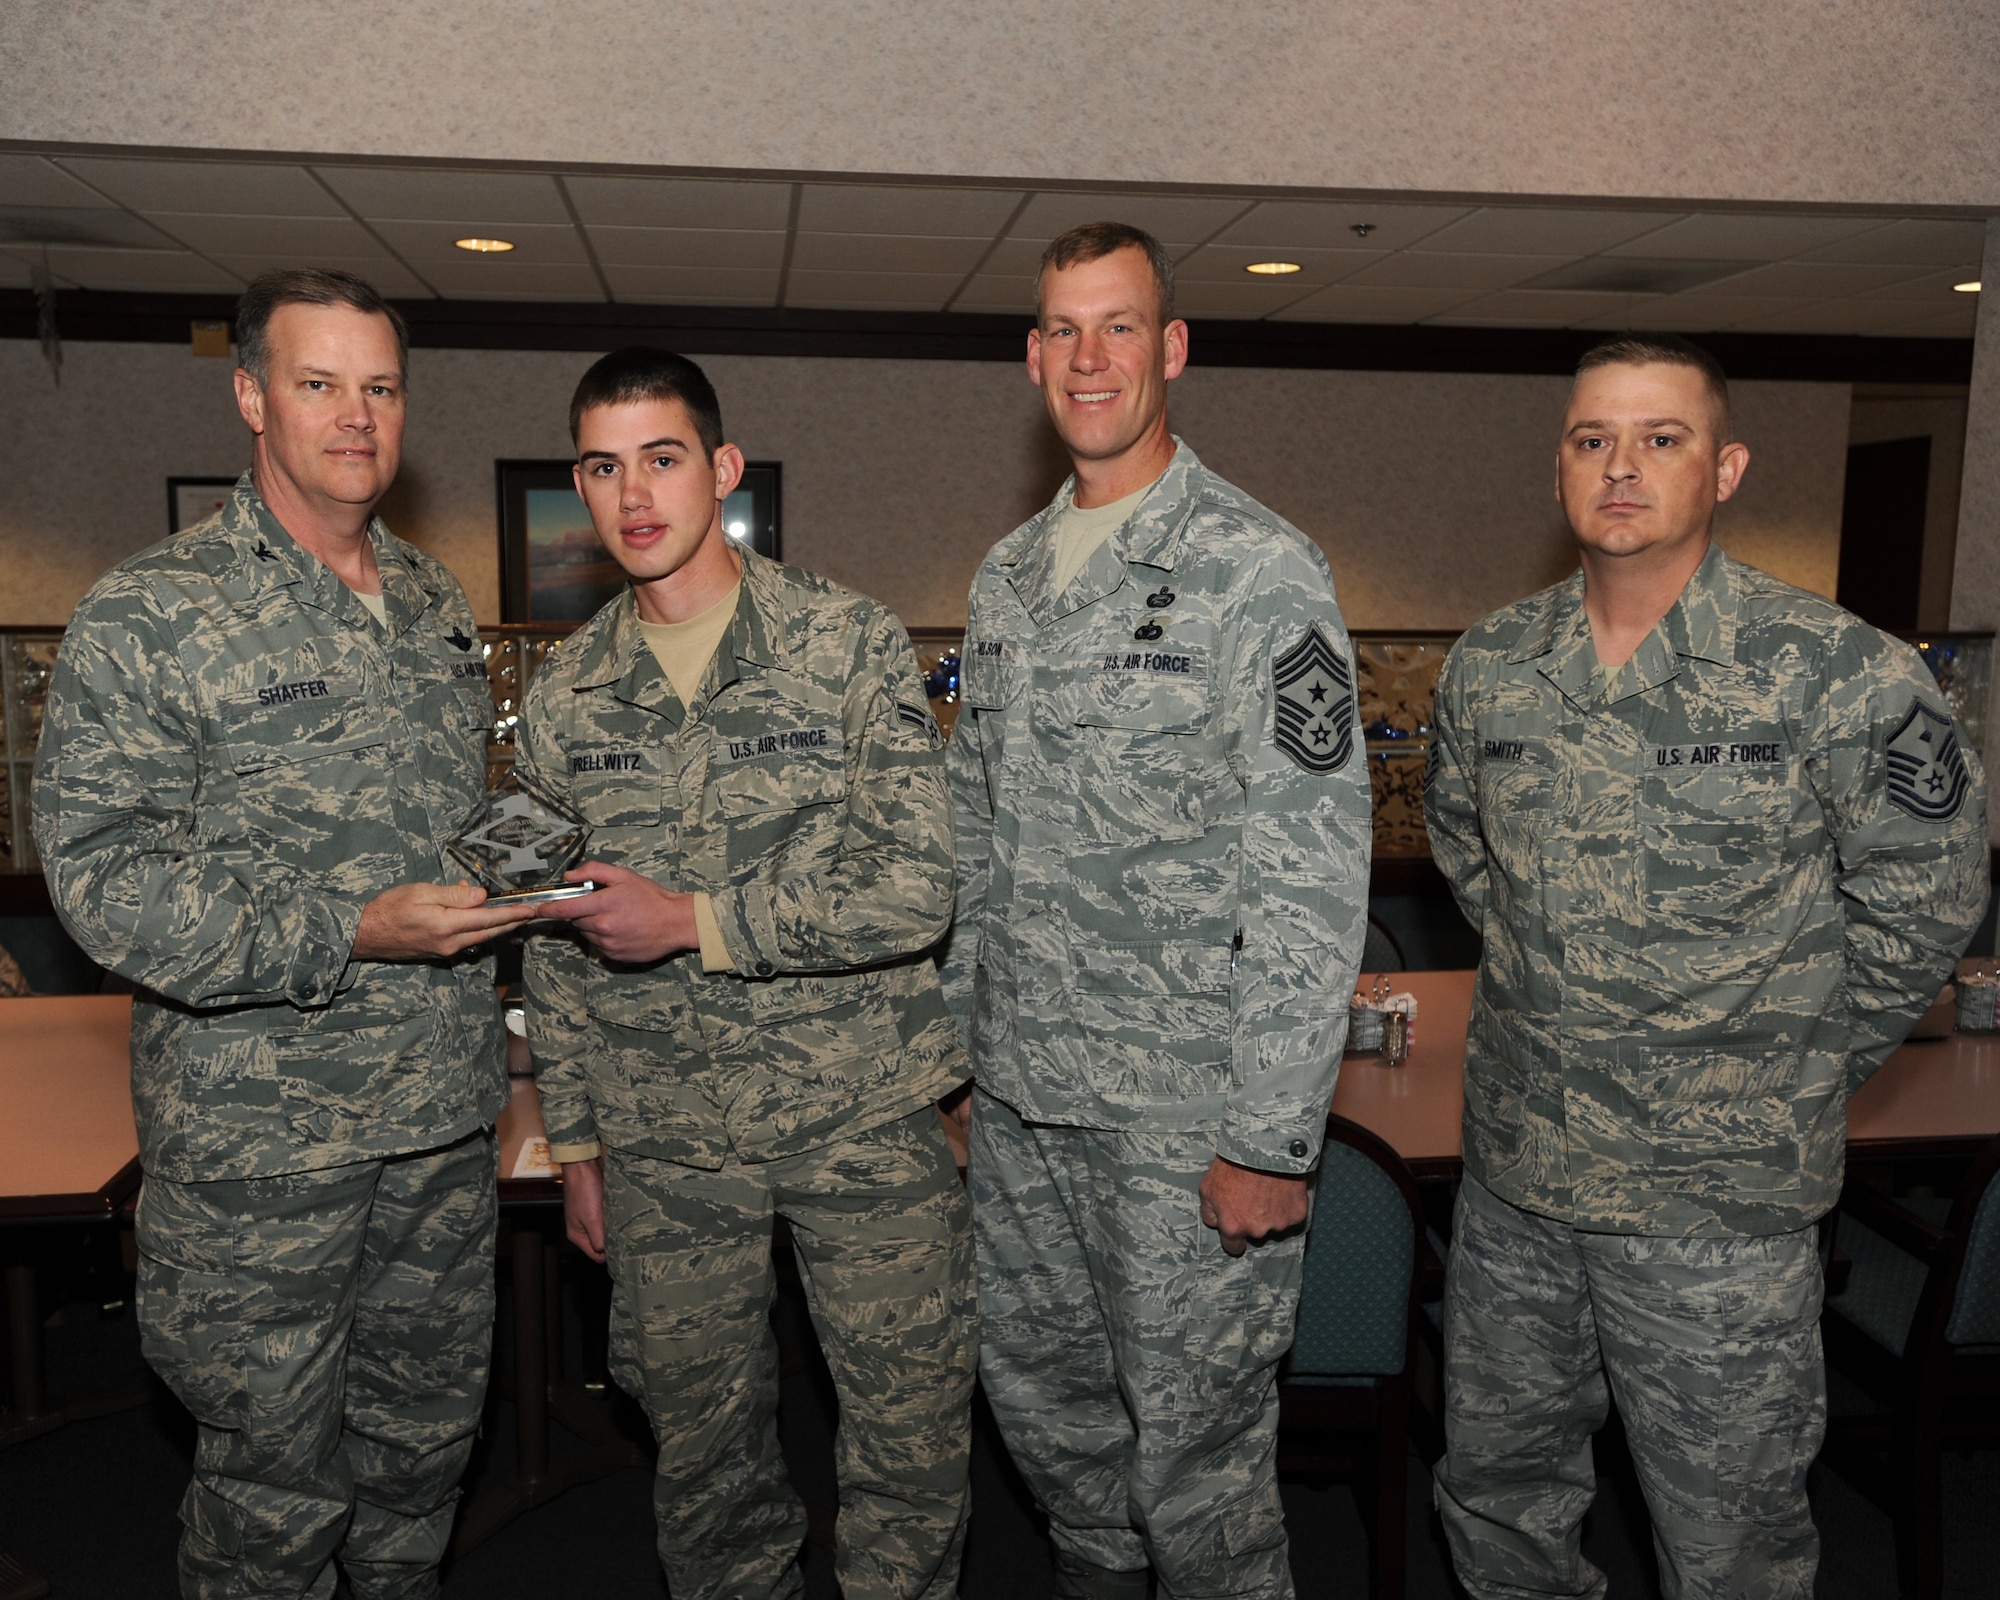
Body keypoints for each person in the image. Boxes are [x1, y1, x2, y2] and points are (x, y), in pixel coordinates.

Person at [1424, 333, 1990, 1600]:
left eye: (1658, 438)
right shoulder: (1491, 666)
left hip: (1716, 1200)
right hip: (1521, 1174)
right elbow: (1472, 863)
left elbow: (1930, 891)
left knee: (1727, 1540)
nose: (1619, 467)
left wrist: (1789, 1061)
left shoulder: (1838, 671)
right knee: (1497, 1503)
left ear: (1723, 467)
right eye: (1590, 439)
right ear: (1559, 466)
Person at [33, 268, 536, 1597]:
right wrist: (350, 929)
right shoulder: (150, 617)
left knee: (423, 1464)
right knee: (272, 1493)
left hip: (436, 1120)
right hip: (265, 1151)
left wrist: (525, 865)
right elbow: (102, 879)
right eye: (320, 384)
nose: (357, 416)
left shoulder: (431, 604)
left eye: (380, 386)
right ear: (253, 396)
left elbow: (431, 821)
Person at [938, 222, 1372, 1600]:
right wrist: (956, 1062)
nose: (1090, 357)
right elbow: (974, 844)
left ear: (1171, 348)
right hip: (1021, 1108)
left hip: (1183, 1125)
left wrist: (1270, 1137)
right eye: (1064, 329)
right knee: (1061, 1450)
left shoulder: (1260, 568)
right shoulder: (1006, 582)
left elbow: (1311, 868)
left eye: (1119, 325)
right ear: (1032, 358)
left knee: (1200, 1479)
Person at [517, 347, 976, 1600]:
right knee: (703, 1457)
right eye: (604, 468)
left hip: (860, 1113)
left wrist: (697, 921)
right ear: (580, 484)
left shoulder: (842, 641)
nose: (634, 496)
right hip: (663, 1135)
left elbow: (914, 883)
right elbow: (551, 942)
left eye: (661, 458)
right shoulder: (565, 698)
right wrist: (577, 1148)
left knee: (909, 1436)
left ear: (718, 469)